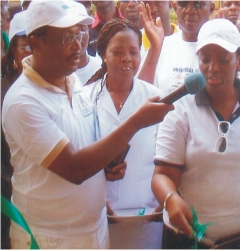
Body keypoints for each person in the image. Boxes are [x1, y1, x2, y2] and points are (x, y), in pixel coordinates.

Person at [1, 1, 173, 248]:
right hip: (48, 238)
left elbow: (88, 149)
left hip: (94, 232)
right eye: (66, 37)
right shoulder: (24, 101)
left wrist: (106, 167)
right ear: (36, 43)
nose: (78, 44)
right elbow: (74, 168)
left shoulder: (75, 85)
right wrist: (136, 121)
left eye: (81, 33)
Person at [152, 18, 240, 249]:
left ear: (238, 61)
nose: (212, 68)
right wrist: (170, 199)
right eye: (205, 60)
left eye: (223, 60)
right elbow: (162, 175)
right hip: (191, 239)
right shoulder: (181, 109)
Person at [85, 18, 164, 249]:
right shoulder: (84, 99)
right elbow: (78, 154)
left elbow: (167, 153)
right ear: (103, 54)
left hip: (147, 213)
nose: (127, 58)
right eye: (117, 52)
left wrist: (164, 199)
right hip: (98, 211)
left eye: (133, 51)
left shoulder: (155, 98)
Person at [153, 1, 240, 94]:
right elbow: (145, 92)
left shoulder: (228, 47)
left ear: (211, 8)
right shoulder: (161, 46)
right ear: (175, 7)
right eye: (184, 4)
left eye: (198, 4)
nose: (190, 11)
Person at [0, 10, 30, 250]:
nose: (32, 55)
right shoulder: (4, 92)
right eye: (26, 47)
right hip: (9, 201)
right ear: (12, 53)